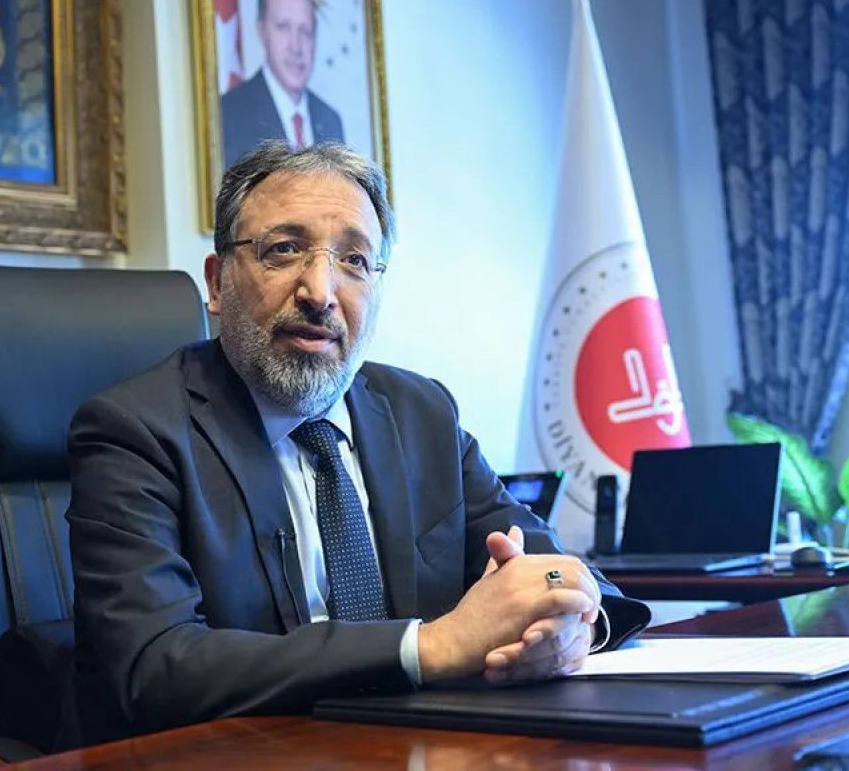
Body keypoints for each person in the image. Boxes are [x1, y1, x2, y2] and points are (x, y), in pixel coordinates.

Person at [67, 141, 651, 741]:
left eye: (354, 260)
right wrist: (430, 646)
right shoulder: (135, 430)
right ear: (218, 284)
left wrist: (575, 622)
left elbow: (549, 566)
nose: (321, 292)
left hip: (427, 746)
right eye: (284, 249)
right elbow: (155, 667)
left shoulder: (422, 411)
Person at [220, 0, 344, 168]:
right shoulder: (230, 114)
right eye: (284, 27)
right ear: (262, 31)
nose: (296, 47)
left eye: (305, 31)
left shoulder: (330, 120)